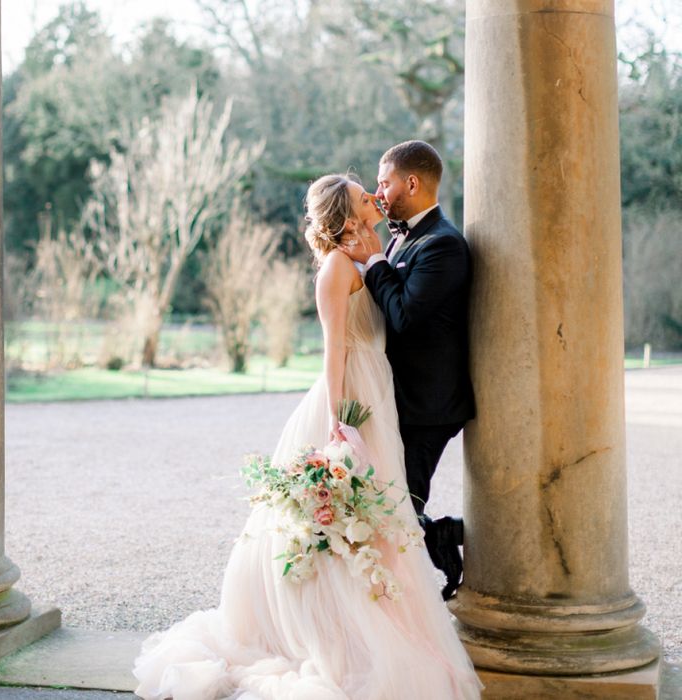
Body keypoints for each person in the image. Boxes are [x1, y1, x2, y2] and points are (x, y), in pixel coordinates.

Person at [132, 173, 481, 700]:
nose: (376, 198)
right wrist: (338, 420)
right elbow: (333, 347)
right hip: (348, 398)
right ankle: (326, 633)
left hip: (378, 393)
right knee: (339, 519)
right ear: (347, 211)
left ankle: (376, 621)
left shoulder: (369, 258)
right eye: (367, 195)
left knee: (379, 517)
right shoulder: (336, 269)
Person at [341, 141, 475, 601]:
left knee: (398, 508)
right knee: (385, 501)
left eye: (384, 182)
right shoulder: (401, 234)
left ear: (411, 183)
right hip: (394, 399)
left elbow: (403, 315)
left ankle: (440, 545)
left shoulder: (443, 245)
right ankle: (431, 542)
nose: (379, 192)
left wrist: (375, 260)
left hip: (426, 407)